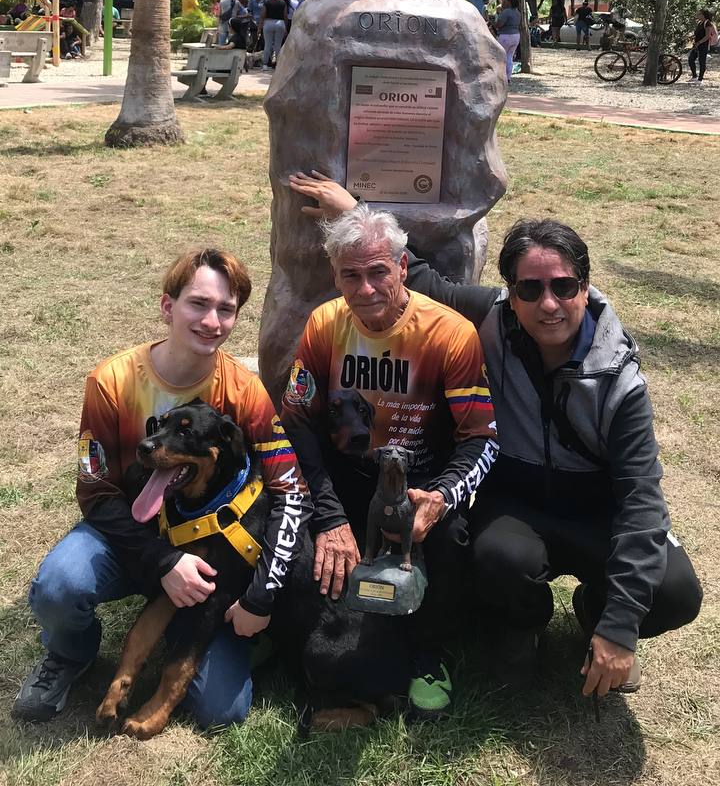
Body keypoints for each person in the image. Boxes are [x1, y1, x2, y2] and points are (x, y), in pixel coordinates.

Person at [287, 174, 703, 702]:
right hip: (517, 504)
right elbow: (411, 275)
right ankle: (521, 622)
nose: (548, 303)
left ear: (584, 286)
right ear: (510, 292)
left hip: (595, 507)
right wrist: (354, 210)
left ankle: (597, 616)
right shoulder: (490, 317)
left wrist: (621, 625)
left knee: (675, 591)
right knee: (496, 556)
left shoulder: (619, 381)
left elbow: (643, 501)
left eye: (563, 286)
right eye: (530, 289)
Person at [13, 249, 311, 729]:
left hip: (207, 555)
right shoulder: (111, 382)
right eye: (199, 304)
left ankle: (196, 634)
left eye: (226, 309)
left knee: (222, 710)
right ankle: (69, 655)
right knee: (61, 584)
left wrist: (261, 595)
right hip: (131, 536)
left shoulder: (244, 392)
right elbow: (95, 494)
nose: (212, 321)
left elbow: (291, 489)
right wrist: (164, 561)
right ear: (168, 306)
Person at [281, 204, 498, 717]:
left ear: (402, 267)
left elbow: (481, 437)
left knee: (447, 539)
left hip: (420, 479)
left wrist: (441, 496)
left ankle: (428, 652)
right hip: (348, 473)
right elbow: (296, 422)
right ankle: (291, 631)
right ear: (334, 275)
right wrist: (329, 515)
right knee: (288, 528)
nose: (365, 289)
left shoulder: (449, 333)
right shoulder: (324, 324)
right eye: (350, 276)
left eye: (378, 272)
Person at [259, 0, 288, 71]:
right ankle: (278, 65)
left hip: (268, 23)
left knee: (267, 45)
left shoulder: (266, 2)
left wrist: (260, 26)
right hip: (280, 23)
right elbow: (285, 16)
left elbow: (263, 15)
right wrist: (286, 27)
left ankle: (265, 65)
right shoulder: (283, 2)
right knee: (278, 45)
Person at [495, 0, 522, 79]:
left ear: (509, 2)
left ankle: (501, 76)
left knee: (501, 55)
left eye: (506, 0)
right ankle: (508, 77)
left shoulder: (506, 12)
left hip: (505, 36)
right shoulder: (518, 13)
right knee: (510, 56)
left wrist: (494, 23)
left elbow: (499, 24)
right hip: (516, 36)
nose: (504, 2)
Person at [688, 8, 717, 84]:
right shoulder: (700, 23)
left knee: (702, 62)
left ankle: (700, 79)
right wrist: (690, 37)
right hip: (696, 45)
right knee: (691, 59)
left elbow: (707, 36)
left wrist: (699, 42)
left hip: (703, 45)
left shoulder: (708, 23)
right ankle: (694, 76)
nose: (698, 15)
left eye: (700, 14)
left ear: (704, 15)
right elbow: (697, 33)